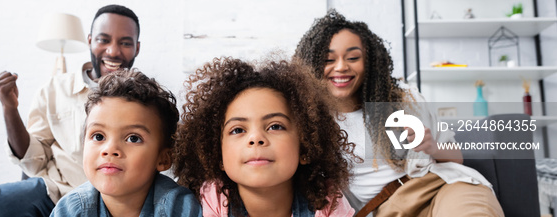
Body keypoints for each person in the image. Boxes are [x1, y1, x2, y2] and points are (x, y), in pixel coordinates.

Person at [294, 10, 504, 217]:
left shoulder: (403, 99)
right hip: (387, 209)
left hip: (442, 188)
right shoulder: (309, 120)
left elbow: (456, 157)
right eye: (329, 60)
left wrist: (432, 146)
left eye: (353, 57)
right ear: (312, 64)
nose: (341, 67)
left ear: (369, 62)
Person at [0, 4, 141, 217]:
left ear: (137, 48)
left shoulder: (147, 102)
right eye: (103, 40)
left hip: (115, 203)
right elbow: (33, 162)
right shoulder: (55, 89)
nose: (113, 51)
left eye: (125, 43)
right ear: (90, 41)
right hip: (56, 192)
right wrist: (10, 108)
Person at [173, 57, 356, 217]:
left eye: (275, 126)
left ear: (305, 147)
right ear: (218, 156)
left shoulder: (327, 202)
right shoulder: (211, 199)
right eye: (238, 130)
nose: (256, 138)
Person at [50, 69, 200, 217]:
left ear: (164, 158)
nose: (110, 149)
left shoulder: (180, 208)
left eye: (133, 138)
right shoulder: (69, 210)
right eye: (98, 136)